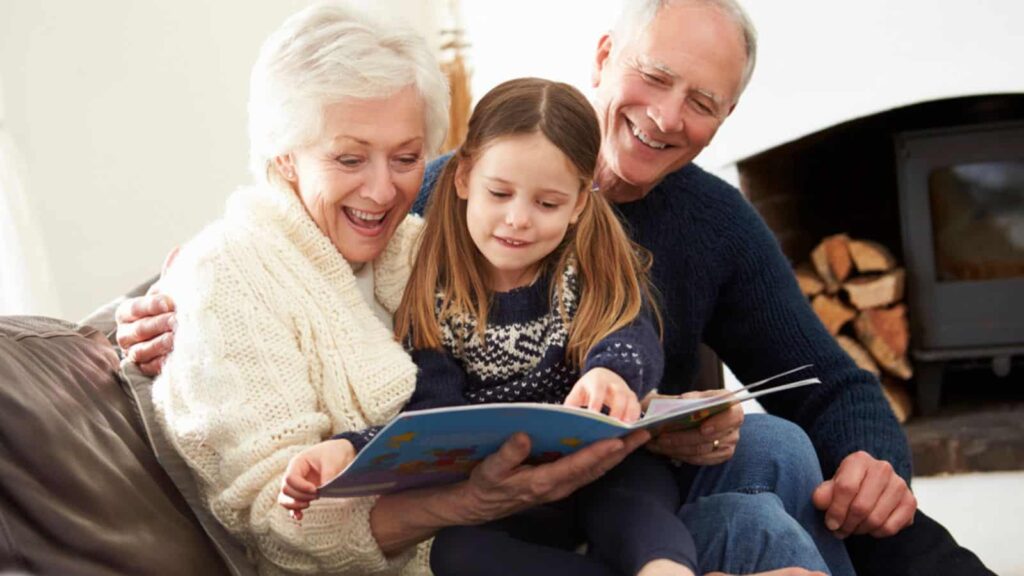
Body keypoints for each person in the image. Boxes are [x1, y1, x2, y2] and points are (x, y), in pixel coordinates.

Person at [119, 0, 994, 575]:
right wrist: (158, 299)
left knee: (804, 463)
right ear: (607, 56)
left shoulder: (714, 222)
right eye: (655, 76)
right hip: (510, 502)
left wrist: (873, 461)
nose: (666, 114)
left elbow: (826, 379)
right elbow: (287, 234)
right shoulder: (440, 202)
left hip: (631, 468)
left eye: (703, 102)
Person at [147, 4, 654, 575]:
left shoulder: (420, 247)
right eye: (349, 158)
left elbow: (579, 310)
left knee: (751, 478)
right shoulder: (229, 274)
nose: (384, 191)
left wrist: (638, 393)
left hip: (533, 535)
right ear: (283, 155)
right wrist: (465, 502)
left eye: (407, 158)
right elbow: (278, 522)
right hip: (447, 555)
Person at [281, 76, 705, 576]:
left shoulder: (583, 269)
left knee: (633, 502)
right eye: (500, 193)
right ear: (462, 179)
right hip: (511, 498)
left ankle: (665, 569)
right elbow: (430, 415)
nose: (518, 219)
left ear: (578, 207)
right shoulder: (435, 294)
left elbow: (628, 333)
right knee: (454, 553)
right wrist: (350, 448)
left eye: (547, 204)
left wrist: (611, 373)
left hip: (603, 471)